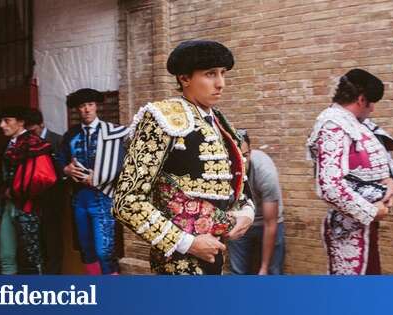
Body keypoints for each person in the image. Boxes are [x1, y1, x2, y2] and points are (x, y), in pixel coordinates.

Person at [113, 40, 254, 275]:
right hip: (176, 260)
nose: (220, 83)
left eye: (223, 73)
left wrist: (247, 214)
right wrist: (188, 243)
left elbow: (238, 185)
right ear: (184, 78)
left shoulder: (220, 122)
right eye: (210, 74)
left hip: (216, 252)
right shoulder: (162, 118)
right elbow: (126, 202)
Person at [306, 69, 393, 275]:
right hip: (348, 228)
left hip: (364, 226)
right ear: (361, 99)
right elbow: (329, 187)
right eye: (372, 102)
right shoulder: (333, 124)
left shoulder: (359, 125)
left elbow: (386, 165)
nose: (373, 109)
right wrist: (371, 211)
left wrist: (390, 185)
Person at [59, 89, 128, 275]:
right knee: (86, 248)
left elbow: (121, 164)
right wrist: (66, 169)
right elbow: (60, 160)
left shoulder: (112, 132)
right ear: (77, 110)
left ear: (96, 106)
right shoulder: (71, 135)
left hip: (104, 195)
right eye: (82, 106)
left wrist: (100, 177)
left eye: (90, 105)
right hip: (80, 197)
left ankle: (112, 293)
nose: (87, 109)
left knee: (104, 250)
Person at [0, 106, 57, 274]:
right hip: (9, 208)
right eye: (1, 121)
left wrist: (15, 192)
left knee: (31, 257)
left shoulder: (34, 143)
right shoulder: (9, 145)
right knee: (6, 256)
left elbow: (44, 178)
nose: (1, 125)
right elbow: (4, 181)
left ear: (21, 123)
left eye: (7, 121)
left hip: (29, 208)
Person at [228, 129, 285, 275]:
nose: (241, 161)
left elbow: (270, 223)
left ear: (251, 152)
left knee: (272, 272)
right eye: (236, 156)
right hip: (240, 220)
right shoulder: (223, 170)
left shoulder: (265, 171)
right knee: (238, 272)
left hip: (267, 222)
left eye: (245, 155)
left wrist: (264, 268)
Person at [25, 108, 64, 274]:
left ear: (41, 124)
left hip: (53, 198)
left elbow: (63, 170)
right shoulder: (26, 143)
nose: (31, 134)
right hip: (34, 198)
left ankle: (54, 276)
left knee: (53, 238)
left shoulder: (57, 140)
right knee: (37, 239)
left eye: (33, 130)